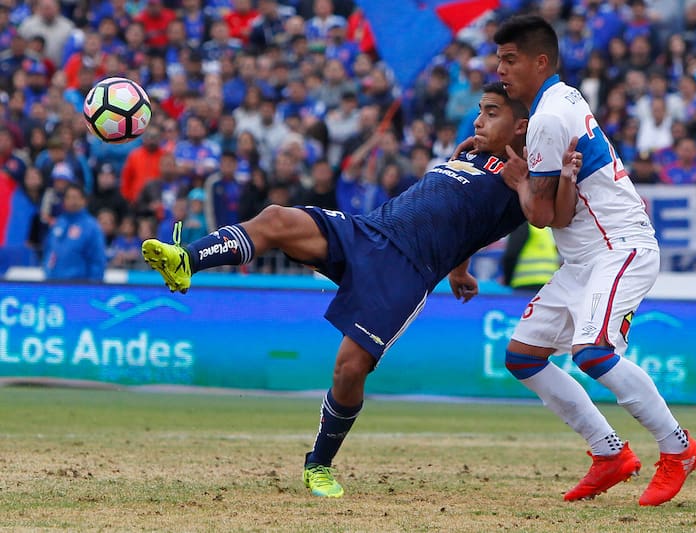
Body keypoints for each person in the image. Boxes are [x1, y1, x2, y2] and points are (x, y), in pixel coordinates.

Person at [141, 82, 575, 498]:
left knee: (350, 369)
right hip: (370, 231)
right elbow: (466, 221)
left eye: (491, 113)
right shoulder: (473, 155)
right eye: (480, 110)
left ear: (522, 126)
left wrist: (523, 181)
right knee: (275, 218)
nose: (478, 120)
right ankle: (186, 260)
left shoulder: (527, 175)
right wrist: (460, 269)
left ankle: (319, 464)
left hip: (405, 270)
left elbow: (542, 216)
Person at [491, 15, 696, 507]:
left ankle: (679, 448)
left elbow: (542, 216)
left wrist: (518, 180)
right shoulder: (563, 97)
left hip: (619, 247)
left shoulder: (547, 115)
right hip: (586, 257)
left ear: (539, 60)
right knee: (522, 356)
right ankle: (610, 453)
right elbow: (560, 205)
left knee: (593, 352)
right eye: (499, 59)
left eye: (509, 59)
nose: (501, 69)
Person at [43, 182, 106, 281]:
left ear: (84, 200)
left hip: (79, 287)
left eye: (75, 197)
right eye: (68, 197)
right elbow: (48, 250)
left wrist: (94, 287)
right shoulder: (59, 223)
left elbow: (97, 261)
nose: (71, 201)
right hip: (53, 285)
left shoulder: (91, 227)